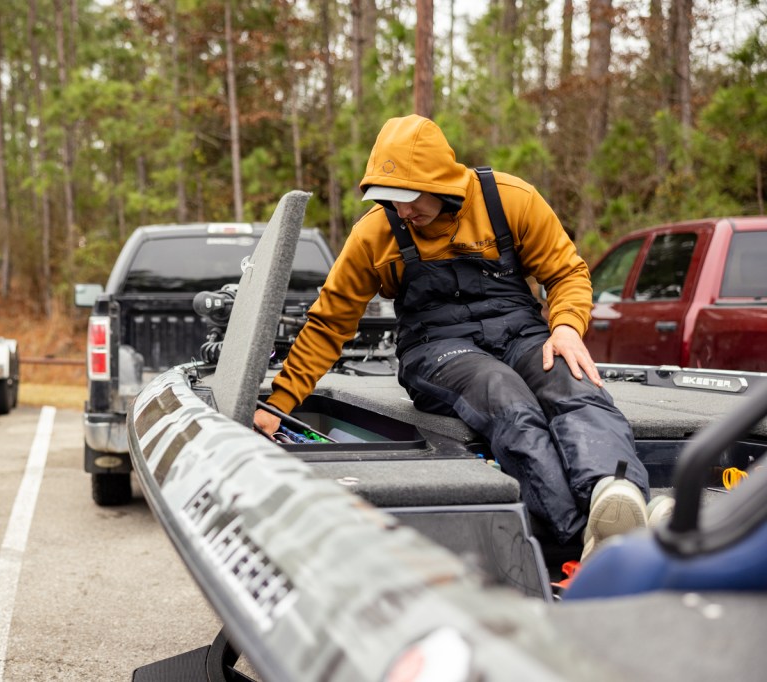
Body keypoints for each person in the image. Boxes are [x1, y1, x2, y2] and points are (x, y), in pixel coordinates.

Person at [254, 114, 665, 560]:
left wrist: (566, 327)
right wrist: (279, 403)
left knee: (573, 381)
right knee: (504, 395)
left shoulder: (510, 199)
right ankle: (582, 536)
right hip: (438, 348)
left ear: (439, 182)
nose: (402, 212)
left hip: (521, 332)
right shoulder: (374, 233)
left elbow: (567, 272)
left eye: (409, 198)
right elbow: (329, 324)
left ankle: (615, 494)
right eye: (389, 200)